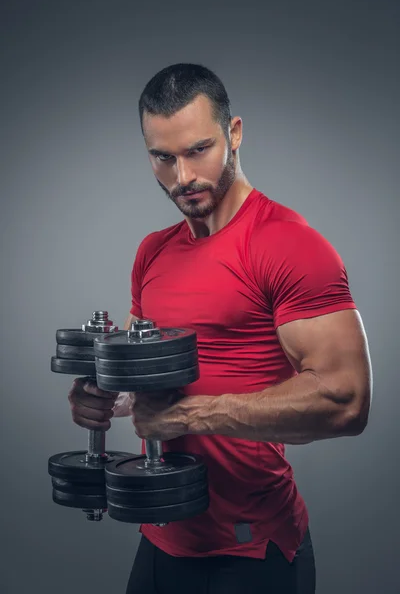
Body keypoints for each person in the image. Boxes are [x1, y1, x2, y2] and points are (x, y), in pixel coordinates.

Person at [68, 63, 372, 594]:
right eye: (163, 157)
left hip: (253, 551)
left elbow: (346, 401)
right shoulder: (152, 252)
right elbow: (145, 383)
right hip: (161, 537)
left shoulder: (289, 244)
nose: (182, 175)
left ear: (234, 134)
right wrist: (105, 399)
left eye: (197, 149)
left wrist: (191, 415)